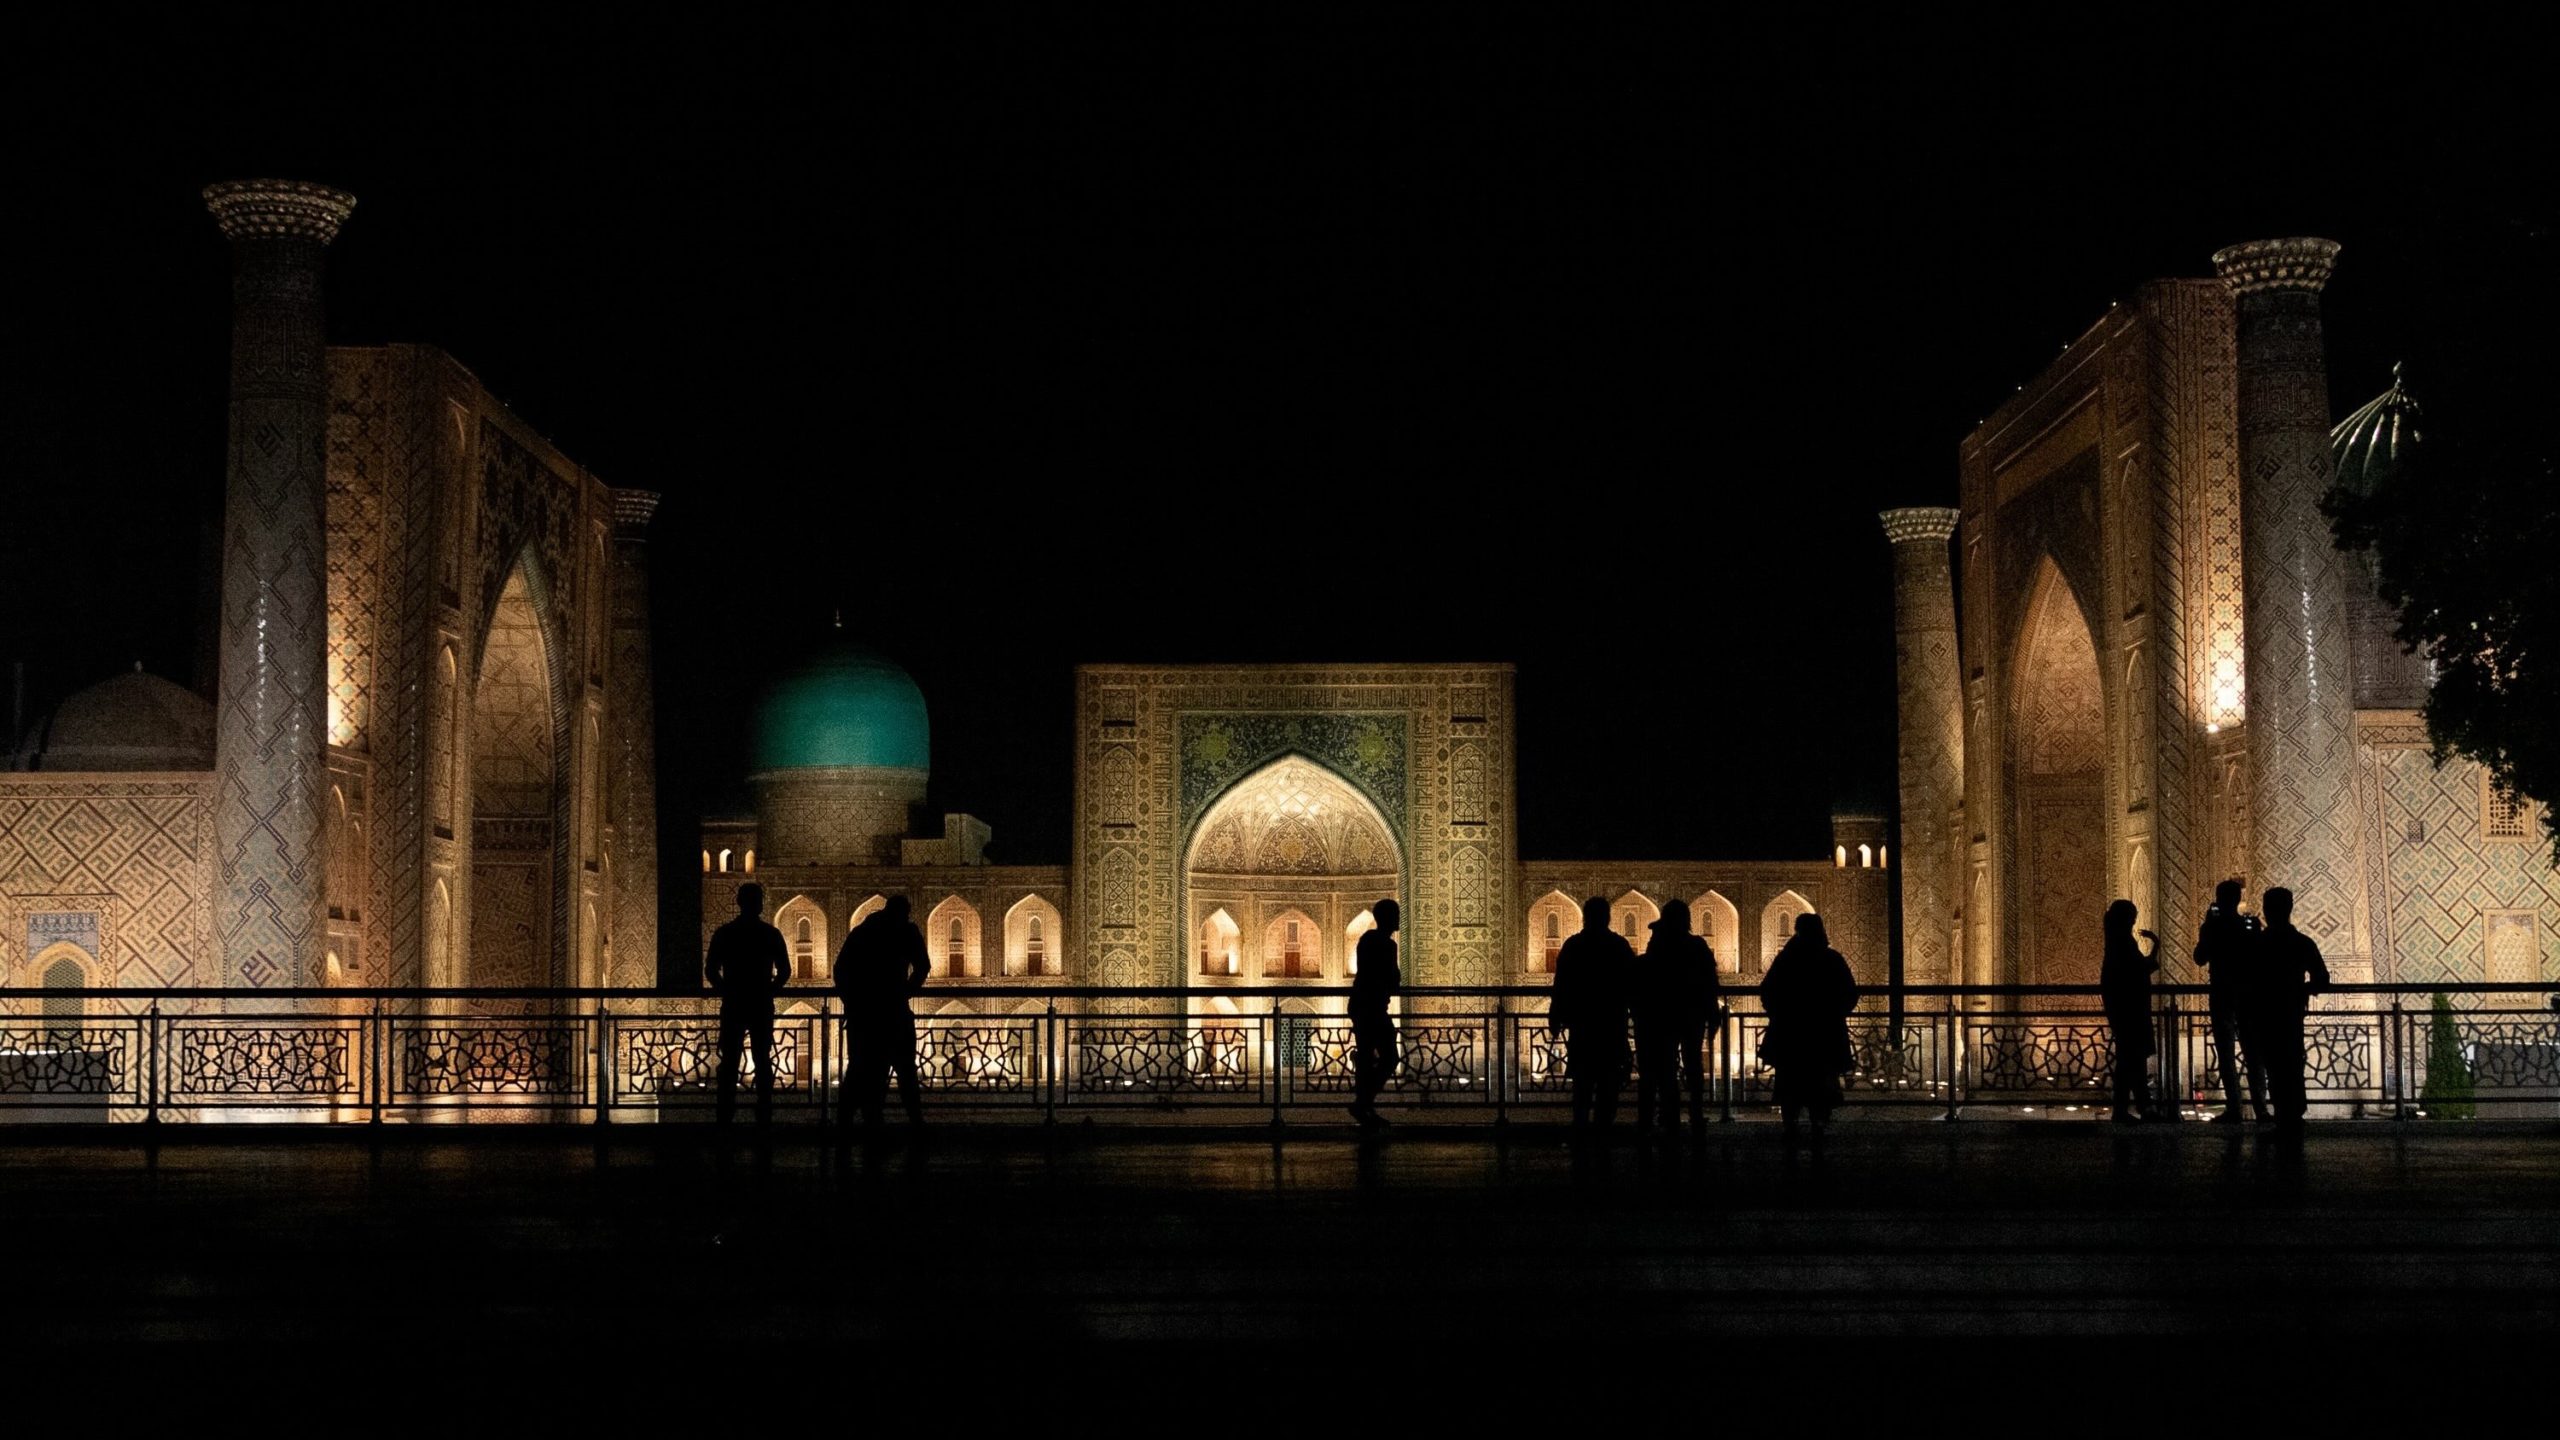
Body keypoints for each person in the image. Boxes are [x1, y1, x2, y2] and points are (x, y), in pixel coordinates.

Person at [834, 895, 930, 1137]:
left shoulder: (863, 932)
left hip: (863, 1014)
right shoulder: (906, 932)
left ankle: (855, 1122)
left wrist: (852, 1002)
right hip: (894, 1012)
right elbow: (923, 966)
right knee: (905, 1070)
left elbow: (840, 970)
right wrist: (906, 992)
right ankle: (914, 1123)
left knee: (861, 1070)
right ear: (902, 912)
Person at [1759, 911, 1855, 1140]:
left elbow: (1767, 992)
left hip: (1791, 1035)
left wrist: (1780, 1014)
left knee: (1790, 1084)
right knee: (1820, 1084)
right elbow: (1850, 993)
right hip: (1824, 1035)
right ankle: (1817, 1128)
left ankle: (1790, 1128)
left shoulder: (1787, 960)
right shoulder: (1831, 959)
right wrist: (1834, 1014)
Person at [703, 882, 790, 1131]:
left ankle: (725, 1114)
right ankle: (764, 1113)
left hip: (734, 1004)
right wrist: (769, 992)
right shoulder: (770, 934)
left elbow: (710, 970)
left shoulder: (725, 933)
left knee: (730, 1061)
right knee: (762, 1060)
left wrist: (726, 991)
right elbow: (785, 971)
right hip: (761, 1004)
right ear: (760, 904)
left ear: (738, 902)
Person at [1635, 898, 1722, 1138]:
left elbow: (1645, 977)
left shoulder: (1660, 942)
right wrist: (1713, 1015)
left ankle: (1668, 1115)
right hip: (1692, 1015)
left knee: (1665, 1067)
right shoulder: (1697, 946)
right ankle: (1695, 1114)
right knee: (1692, 1064)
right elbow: (1710, 983)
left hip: (1663, 1016)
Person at [2246, 887, 2332, 1129]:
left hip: (2264, 1014)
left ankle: (2284, 1112)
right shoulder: (2301, 942)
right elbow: (2322, 979)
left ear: (2266, 909)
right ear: (2290, 908)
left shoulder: (2259, 944)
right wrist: (2303, 989)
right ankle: (2293, 1113)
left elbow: (2243, 977)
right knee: (2291, 1062)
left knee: (2273, 1063)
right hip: (2290, 1013)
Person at [1550, 895, 1635, 1134]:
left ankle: (1581, 1130)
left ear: (1584, 917)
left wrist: (1555, 1017)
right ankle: (1602, 1133)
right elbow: (1632, 985)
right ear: (1608, 917)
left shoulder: (1574, 945)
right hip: (1611, 1024)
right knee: (1608, 1084)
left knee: (1583, 1084)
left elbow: (1561, 985)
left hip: (1583, 1025)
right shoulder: (1618, 946)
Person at [2193, 878, 2267, 1123]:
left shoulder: (2212, 927)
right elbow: (2260, 954)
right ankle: (2261, 1109)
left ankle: (2234, 1108)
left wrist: (2208, 927)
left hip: (2223, 994)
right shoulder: (2248, 925)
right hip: (2249, 996)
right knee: (2253, 1054)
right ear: (2237, 900)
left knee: (2226, 1054)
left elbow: (2199, 958)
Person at [2100, 899, 2160, 1122]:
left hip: (2125, 1009)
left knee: (2131, 1059)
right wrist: (2156, 947)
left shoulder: (2117, 941)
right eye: (2132, 916)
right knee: (2130, 1059)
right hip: (2130, 1010)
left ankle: (2140, 1107)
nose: (2135, 920)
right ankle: (2132, 1109)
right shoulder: (2122, 943)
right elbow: (2139, 969)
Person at [1347, 897, 1402, 1131]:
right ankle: (1363, 1103)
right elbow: (1394, 980)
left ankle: (1364, 1106)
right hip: (1373, 1007)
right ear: (1388, 918)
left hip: (1360, 1005)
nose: (1399, 919)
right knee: (1390, 1057)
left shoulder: (1366, 939)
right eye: (1396, 914)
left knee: (1368, 1058)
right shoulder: (1388, 946)